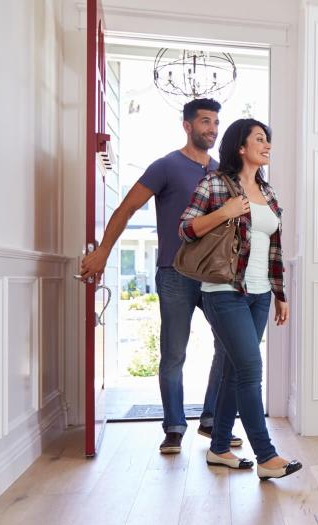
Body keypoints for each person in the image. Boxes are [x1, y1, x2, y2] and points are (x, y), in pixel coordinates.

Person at [78, 98, 243, 454]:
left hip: (216, 277)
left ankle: (212, 419)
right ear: (187, 125)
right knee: (173, 354)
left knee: (229, 347)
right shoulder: (166, 166)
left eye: (215, 123)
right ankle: (173, 426)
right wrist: (103, 251)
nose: (212, 129)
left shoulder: (221, 173)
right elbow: (125, 209)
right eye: (204, 122)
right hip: (175, 273)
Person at [179, 118, 302, 480]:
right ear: (241, 147)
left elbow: (274, 248)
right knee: (250, 371)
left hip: (260, 295)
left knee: (235, 371)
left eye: (269, 140)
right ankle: (266, 457)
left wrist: (281, 295)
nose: (267, 146)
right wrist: (224, 212)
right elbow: (185, 228)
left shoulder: (269, 191)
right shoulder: (215, 184)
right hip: (224, 293)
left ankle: (218, 449)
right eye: (260, 139)